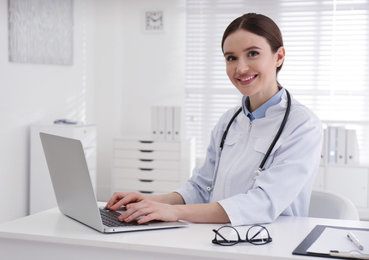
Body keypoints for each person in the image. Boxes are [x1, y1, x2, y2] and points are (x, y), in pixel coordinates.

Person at [106, 13, 323, 226]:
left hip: (272, 241)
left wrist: (174, 211)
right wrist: (149, 200)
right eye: (231, 58)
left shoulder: (303, 126)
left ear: (279, 56)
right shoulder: (228, 121)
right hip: (218, 236)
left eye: (253, 53)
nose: (241, 68)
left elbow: (263, 202)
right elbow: (201, 187)